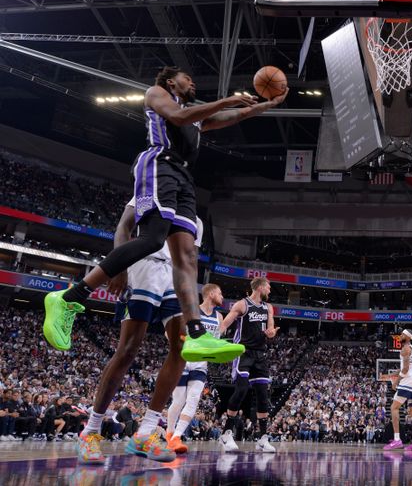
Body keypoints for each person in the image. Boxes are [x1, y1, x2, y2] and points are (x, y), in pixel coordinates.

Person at [42, 65, 287, 363]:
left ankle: (197, 335)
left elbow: (234, 116)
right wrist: (227, 99)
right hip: (159, 165)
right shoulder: (157, 94)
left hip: (183, 177)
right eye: (187, 77)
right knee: (153, 239)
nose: (192, 80)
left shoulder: (195, 117)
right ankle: (69, 298)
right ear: (172, 82)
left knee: (187, 256)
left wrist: (265, 105)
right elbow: (181, 116)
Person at [75, 201, 204, 464]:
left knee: (181, 348)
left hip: (176, 277)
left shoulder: (196, 220)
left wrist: (193, 303)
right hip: (141, 266)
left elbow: (190, 260)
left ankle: (145, 433)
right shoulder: (152, 193)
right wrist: (119, 266)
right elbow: (123, 227)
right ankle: (90, 431)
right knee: (128, 350)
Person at [217, 278, 280, 452]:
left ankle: (262, 438)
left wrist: (271, 332)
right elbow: (225, 323)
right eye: (268, 286)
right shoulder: (242, 305)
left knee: (262, 395)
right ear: (260, 287)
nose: (270, 289)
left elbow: (271, 329)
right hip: (243, 352)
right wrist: (212, 338)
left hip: (260, 355)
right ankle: (226, 433)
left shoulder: (268, 307)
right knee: (242, 389)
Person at [166, 283, 225, 454]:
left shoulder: (219, 317)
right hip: (184, 359)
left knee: (193, 399)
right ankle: (170, 433)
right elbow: (169, 333)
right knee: (178, 401)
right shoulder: (191, 312)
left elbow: (214, 342)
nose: (222, 297)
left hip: (201, 363)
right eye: (220, 293)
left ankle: (177, 437)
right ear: (211, 294)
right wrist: (185, 342)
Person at [383, 329, 412, 453]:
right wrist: (390, 375)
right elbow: (406, 368)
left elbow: (405, 369)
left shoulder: (405, 348)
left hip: (408, 380)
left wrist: (396, 381)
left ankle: (397, 440)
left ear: (408, 336)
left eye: (402, 334)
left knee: (394, 408)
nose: (400, 336)